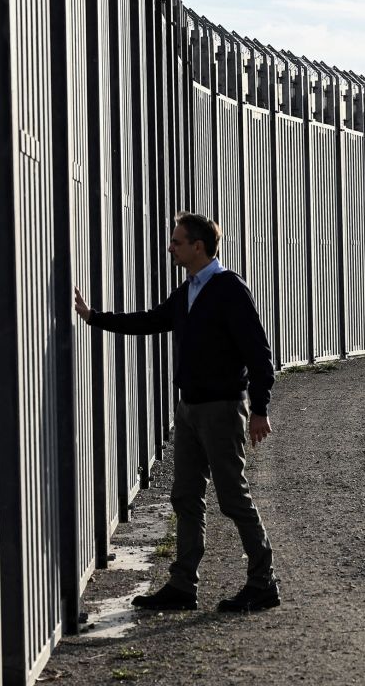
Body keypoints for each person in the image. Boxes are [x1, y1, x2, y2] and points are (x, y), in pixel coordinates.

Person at [73, 212, 280, 613]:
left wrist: (260, 409)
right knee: (185, 497)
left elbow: (259, 354)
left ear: (197, 247)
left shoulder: (228, 289)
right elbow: (151, 320)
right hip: (189, 409)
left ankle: (263, 582)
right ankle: (183, 586)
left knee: (232, 498)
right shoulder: (188, 292)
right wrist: (96, 319)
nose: (171, 248)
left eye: (177, 242)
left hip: (222, 409)